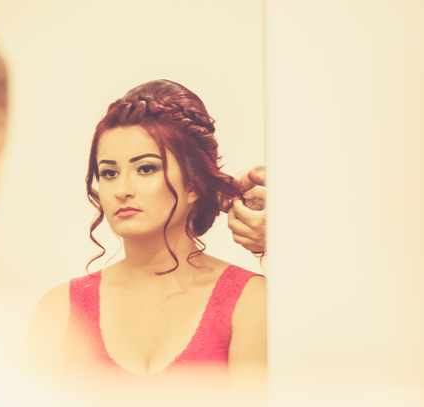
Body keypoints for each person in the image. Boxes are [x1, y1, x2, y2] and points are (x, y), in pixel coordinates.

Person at [27, 79, 265, 377]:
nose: (122, 190)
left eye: (146, 169)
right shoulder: (59, 310)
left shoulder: (250, 301)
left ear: (194, 184)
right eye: (109, 173)